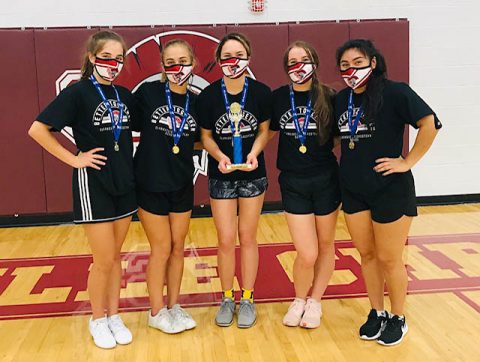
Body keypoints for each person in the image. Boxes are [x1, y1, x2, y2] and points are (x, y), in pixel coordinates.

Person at [28, 30, 137, 349]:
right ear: (92, 58)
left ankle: (114, 315)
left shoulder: (123, 95)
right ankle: (97, 319)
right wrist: (74, 159)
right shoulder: (78, 93)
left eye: (119, 58)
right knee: (102, 259)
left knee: (116, 258)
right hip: (95, 183)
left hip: (123, 182)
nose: (113, 64)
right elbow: (37, 129)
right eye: (106, 57)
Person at [334, 39, 442, 346]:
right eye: (344, 65)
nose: (350, 69)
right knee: (367, 256)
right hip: (354, 190)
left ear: (373, 62)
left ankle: (398, 317)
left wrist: (408, 162)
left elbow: (429, 123)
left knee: (389, 258)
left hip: (390, 189)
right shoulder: (342, 99)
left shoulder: (396, 92)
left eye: (357, 62)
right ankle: (377, 312)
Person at [197, 32, 271, 328]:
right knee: (226, 239)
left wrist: (254, 152)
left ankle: (248, 298)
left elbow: (265, 130)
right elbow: (205, 136)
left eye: (238, 55)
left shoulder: (261, 92)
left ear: (248, 57)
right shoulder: (209, 95)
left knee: (248, 236)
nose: (233, 61)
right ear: (218, 61)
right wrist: (219, 157)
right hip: (222, 174)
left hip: (253, 172)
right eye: (227, 56)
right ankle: (227, 297)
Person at [269, 41, 340, 329]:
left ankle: (315, 302)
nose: (299, 66)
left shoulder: (329, 96)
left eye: (304, 60)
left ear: (315, 63)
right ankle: (299, 298)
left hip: (325, 179)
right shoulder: (278, 98)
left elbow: (336, 136)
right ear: (286, 68)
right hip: (293, 181)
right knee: (306, 251)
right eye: (293, 62)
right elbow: (268, 132)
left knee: (325, 246)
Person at [133, 39, 199, 334]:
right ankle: (156, 311)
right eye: (170, 62)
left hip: (182, 182)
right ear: (162, 66)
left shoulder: (196, 102)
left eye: (183, 61)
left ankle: (174, 306)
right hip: (150, 182)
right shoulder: (148, 93)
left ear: (193, 63)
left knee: (178, 248)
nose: (177, 67)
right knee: (160, 248)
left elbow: (198, 139)